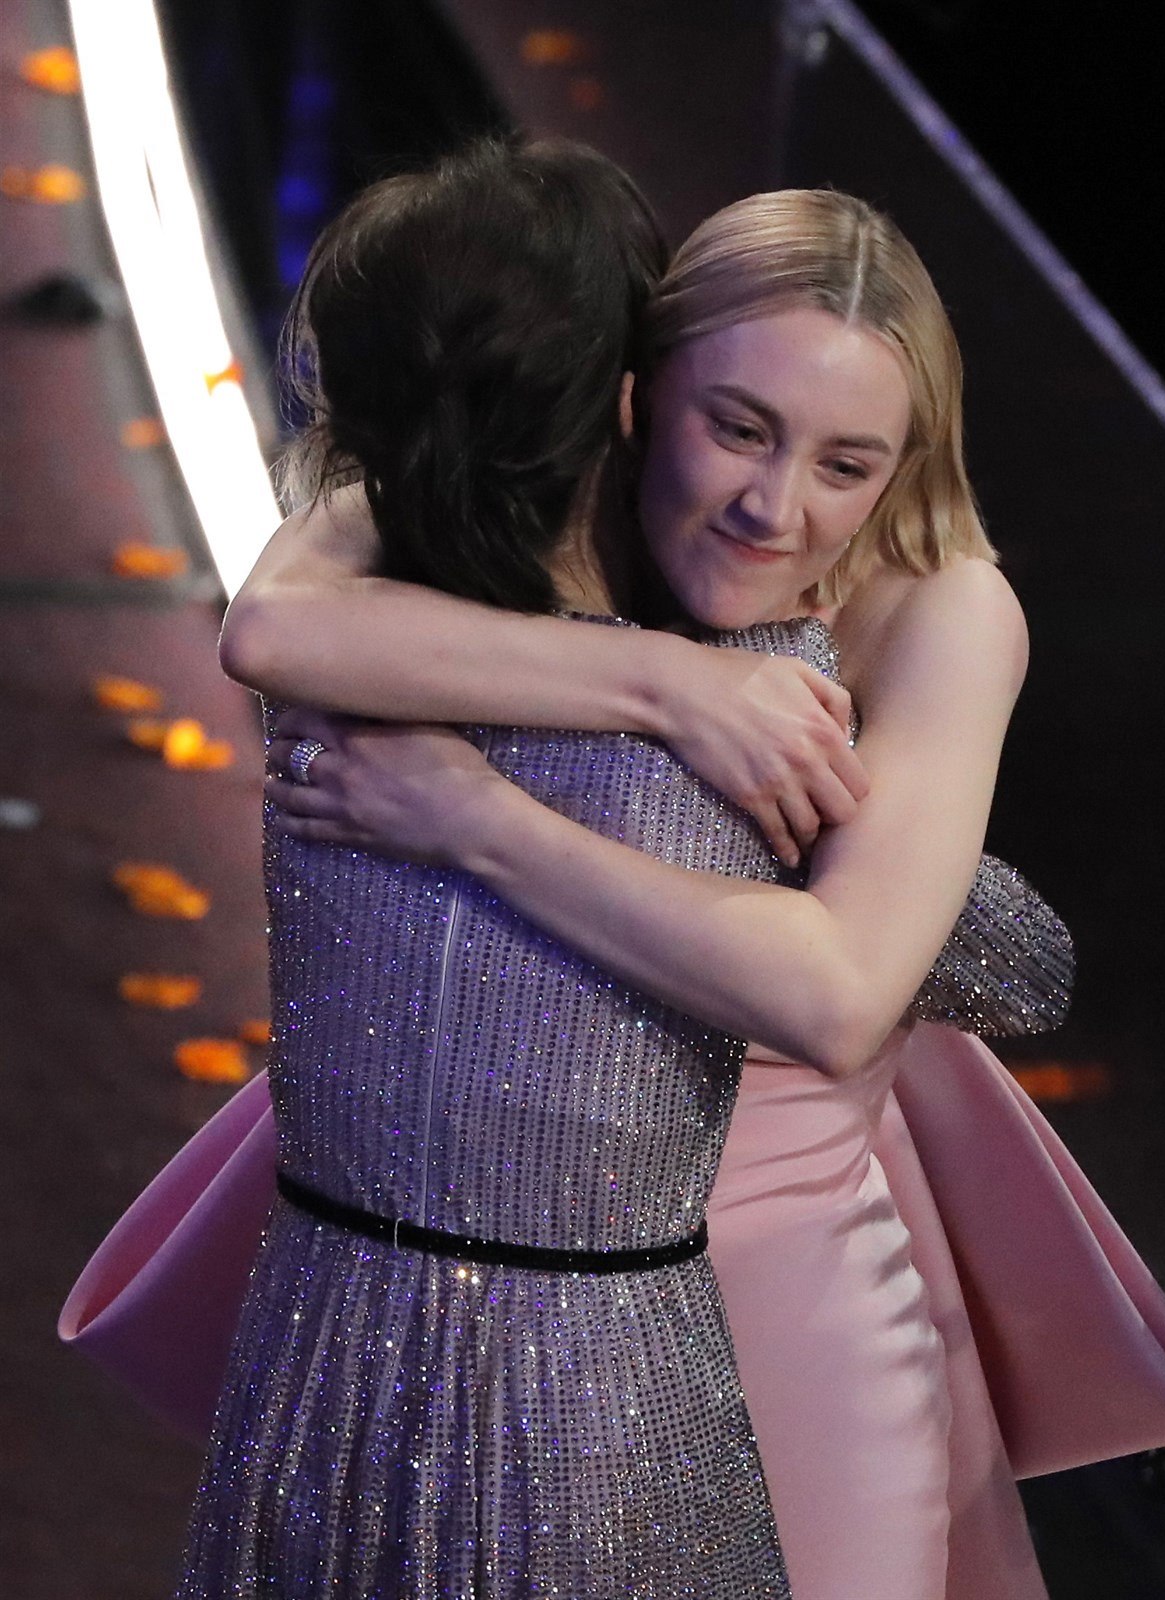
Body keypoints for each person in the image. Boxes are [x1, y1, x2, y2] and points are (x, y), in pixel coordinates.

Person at [226, 177, 1165, 1600]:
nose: (774, 508)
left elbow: (840, 992)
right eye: (737, 427)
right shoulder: (544, 508)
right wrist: (670, 682)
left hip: (791, 1314)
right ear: (638, 393)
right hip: (454, 1276)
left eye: (847, 463)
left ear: (907, 464)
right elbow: (273, 626)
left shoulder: (943, 609)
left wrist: (476, 820)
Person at [178, 138, 807, 1600]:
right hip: (602, 1407)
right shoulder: (756, 724)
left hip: (319, 1367)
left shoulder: (335, 656)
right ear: (638, 398)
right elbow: (1008, 963)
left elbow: (273, 617)